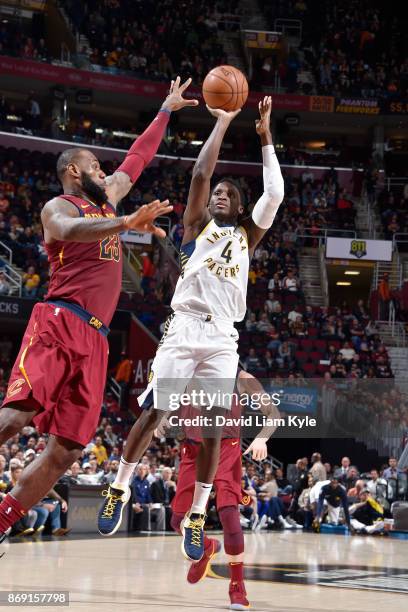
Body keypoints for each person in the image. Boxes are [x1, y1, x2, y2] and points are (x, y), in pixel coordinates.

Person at [0, 77, 196, 544]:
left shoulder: (108, 200)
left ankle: (4, 517)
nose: (104, 170)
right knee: (14, 418)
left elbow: (137, 158)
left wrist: (166, 110)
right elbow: (67, 232)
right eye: (94, 164)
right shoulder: (58, 205)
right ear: (73, 171)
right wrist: (125, 221)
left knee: (67, 451)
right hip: (58, 320)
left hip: (96, 338)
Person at [97, 95, 284, 565]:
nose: (219, 194)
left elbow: (275, 194)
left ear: (240, 209)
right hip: (183, 328)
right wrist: (221, 122)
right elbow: (201, 174)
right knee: (155, 412)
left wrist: (264, 138)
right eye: (217, 193)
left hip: (223, 336)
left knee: (216, 428)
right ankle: (119, 486)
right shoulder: (195, 227)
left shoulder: (246, 235)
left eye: (229, 194)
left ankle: (199, 515)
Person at [166, 369, 281, 610]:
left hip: (226, 448)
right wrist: (165, 421)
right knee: (178, 521)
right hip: (193, 449)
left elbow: (274, 413)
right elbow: (171, 407)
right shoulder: (187, 371)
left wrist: (262, 438)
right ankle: (207, 547)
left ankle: (237, 586)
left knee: (229, 514)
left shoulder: (241, 379)